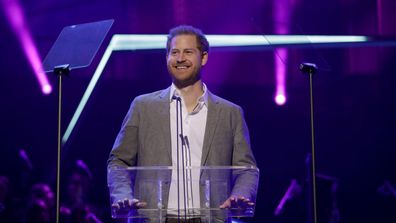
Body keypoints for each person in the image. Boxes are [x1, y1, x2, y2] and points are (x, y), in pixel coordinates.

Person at [107, 25, 258, 223]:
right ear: (167, 57)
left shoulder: (230, 113)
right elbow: (119, 161)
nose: (180, 59)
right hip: (155, 218)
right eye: (174, 52)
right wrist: (123, 195)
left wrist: (240, 195)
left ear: (203, 57)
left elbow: (246, 169)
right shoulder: (142, 107)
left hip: (209, 218)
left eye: (188, 52)